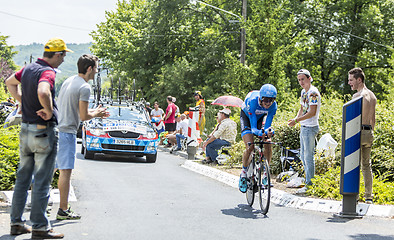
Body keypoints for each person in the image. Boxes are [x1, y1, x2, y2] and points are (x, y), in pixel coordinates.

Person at [5, 38, 71, 239]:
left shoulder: (27, 69)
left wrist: (22, 100)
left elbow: (9, 82)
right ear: (57, 54)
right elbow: (43, 91)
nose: (63, 60)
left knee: (22, 179)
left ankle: (16, 223)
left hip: (25, 129)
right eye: (64, 55)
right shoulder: (47, 71)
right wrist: (49, 111)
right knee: (42, 181)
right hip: (43, 131)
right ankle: (40, 227)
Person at [56, 54, 109, 220]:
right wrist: (97, 113)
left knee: (48, 170)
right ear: (89, 69)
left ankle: (38, 207)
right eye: (96, 68)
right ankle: (63, 210)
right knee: (65, 171)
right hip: (67, 133)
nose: (97, 71)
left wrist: (95, 113)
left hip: (56, 129)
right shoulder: (85, 88)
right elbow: (84, 116)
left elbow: (80, 113)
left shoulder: (69, 81)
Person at [238, 84, 277, 193]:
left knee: (268, 143)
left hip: (260, 117)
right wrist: (260, 132)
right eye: (266, 100)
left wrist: (269, 132)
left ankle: (265, 174)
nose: (268, 103)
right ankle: (243, 174)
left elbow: (268, 125)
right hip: (248, 117)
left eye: (271, 100)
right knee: (250, 146)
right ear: (260, 98)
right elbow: (254, 128)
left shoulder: (273, 106)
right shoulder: (253, 101)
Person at [288, 69, 321, 194]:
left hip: (310, 128)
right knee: (302, 155)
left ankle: (310, 184)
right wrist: (296, 119)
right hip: (303, 126)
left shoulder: (313, 93)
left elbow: (312, 112)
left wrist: (296, 121)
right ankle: (308, 180)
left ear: (309, 78)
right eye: (299, 80)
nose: (301, 82)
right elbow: (302, 108)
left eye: (303, 79)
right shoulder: (303, 92)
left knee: (308, 157)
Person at [348, 67, 376, 204]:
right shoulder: (372, 96)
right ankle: (369, 196)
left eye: (351, 80)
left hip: (358, 132)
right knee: (366, 165)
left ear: (359, 80)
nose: (349, 83)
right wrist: (370, 133)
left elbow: (353, 118)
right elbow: (373, 119)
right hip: (369, 132)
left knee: (353, 165)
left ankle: (354, 195)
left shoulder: (357, 96)